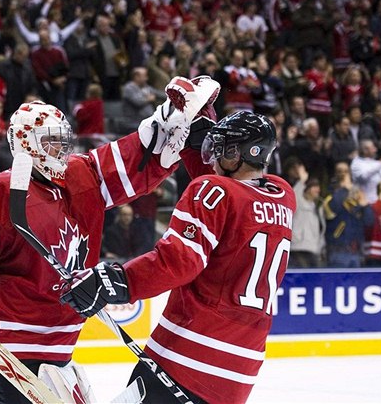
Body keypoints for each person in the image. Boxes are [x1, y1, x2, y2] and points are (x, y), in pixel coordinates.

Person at [0, 76, 221, 404]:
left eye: (62, 140)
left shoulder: (81, 176)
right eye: (50, 141)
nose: (60, 149)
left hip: (61, 346)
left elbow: (124, 163)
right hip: (11, 347)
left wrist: (165, 125)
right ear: (27, 144)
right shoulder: (2, 189)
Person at [61, 111, 296, 403]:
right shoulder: (283, 196)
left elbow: (179, 261)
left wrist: (118, 282)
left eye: (223, 150)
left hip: (187, 357)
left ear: (241, 153)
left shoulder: (211, 190)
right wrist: (192, 148)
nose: (213, 157)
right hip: (239, 373)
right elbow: (230, 202)